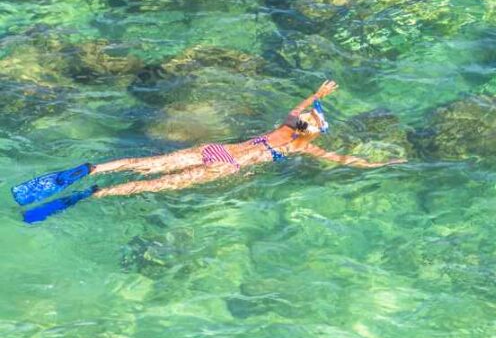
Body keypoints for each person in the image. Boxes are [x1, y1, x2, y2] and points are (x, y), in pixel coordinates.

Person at [12, 80, 404, 222]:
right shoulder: (304, 148)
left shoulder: (284, 128)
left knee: (143, 164)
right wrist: (381, 163)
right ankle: (92, 193)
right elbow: (346, 160)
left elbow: (295, 110)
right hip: (226, 167)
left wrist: (317, 94)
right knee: (151, 186)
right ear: (314, 134)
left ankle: (92, 169)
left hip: (217, 150)